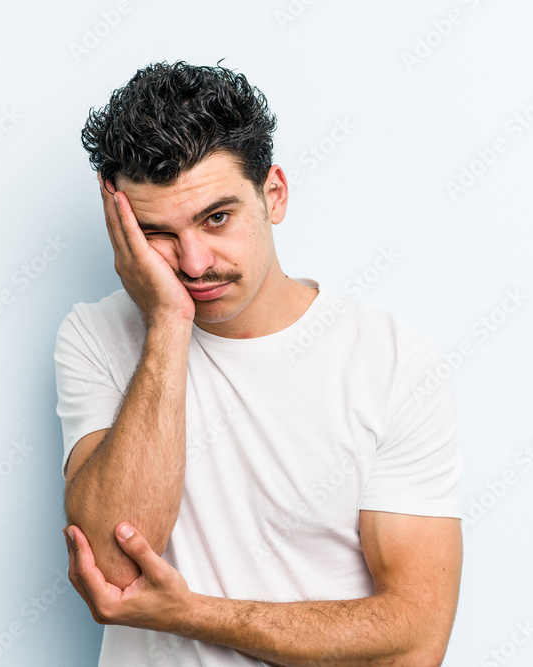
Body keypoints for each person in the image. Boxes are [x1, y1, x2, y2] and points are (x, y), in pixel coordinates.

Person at [55, 60, 464, 666]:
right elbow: (111, 571)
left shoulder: (392, 361)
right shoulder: (95, 335)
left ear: (273, 194)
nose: (193, 262)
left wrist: (190, 614)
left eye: (216, 218)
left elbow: (415, 640)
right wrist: (168, 322)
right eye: (156, 233)